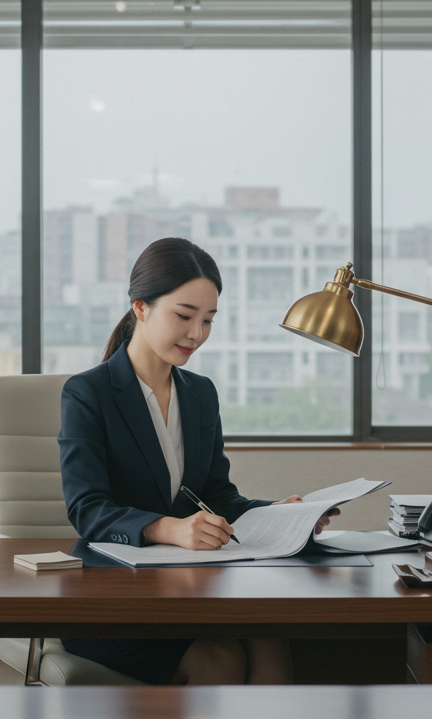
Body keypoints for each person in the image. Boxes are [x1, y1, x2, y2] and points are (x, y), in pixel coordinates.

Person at [57, 237, 337, 685]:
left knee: (270, 634)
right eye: (184, 316)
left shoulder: (200, 394)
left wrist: (277, 514)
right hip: (113, 594)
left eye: (208, 320)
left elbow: (215, 495)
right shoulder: (88, 393)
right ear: (141, 308)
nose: (197, 334)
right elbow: (87, 509)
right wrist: (169, 528)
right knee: (220, 657)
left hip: (188, 584)